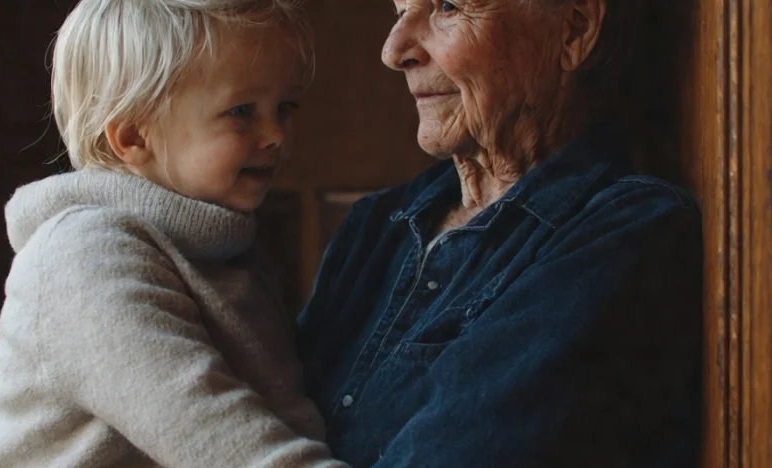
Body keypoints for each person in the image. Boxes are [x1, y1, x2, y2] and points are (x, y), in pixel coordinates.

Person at [297, 0, 702, 466]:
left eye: (447, 7)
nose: (394, 50)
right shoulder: (377, 224)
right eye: (400, 8)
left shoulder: (625, 234)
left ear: (574, 29)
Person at [0, 1, 347, 467]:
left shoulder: (229, 254)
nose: (275, 133)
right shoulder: (81, 256)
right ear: (134, 136)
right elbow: (216, 437)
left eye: (284, 108)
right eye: (242, 111)